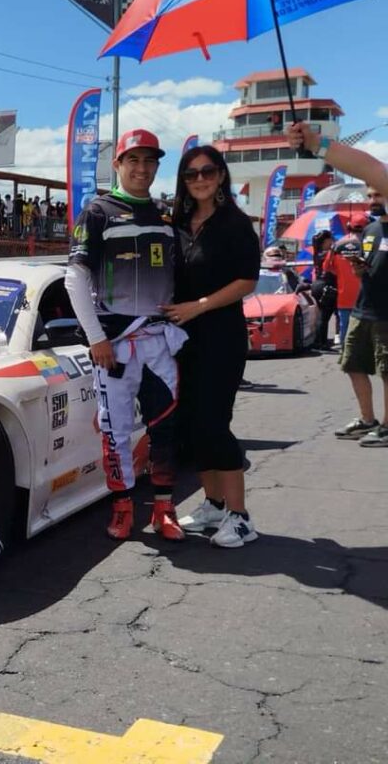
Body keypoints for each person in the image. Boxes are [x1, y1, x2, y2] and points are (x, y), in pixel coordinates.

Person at [65, 128, 187, 542]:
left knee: (166, 427)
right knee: (116, 431)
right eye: (133, 160)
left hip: (158, 343)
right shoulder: (98, 211)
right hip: (113, 350)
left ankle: (165, 509)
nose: (142, 168)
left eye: (150, 161)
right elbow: (74, 279)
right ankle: (122, 508)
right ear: (117, 165)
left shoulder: (167, 217)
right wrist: (96, 337)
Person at [163, 145, 261, 548]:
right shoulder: (179, 222)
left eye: (207, 171)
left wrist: (198, 306)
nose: (199, 179)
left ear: (221, 175)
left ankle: (240, 517)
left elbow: (247, 281)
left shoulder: (235, 223)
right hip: (182, 339)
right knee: (190, 425)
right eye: (191, 174)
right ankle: (214, 504)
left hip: (221, 337)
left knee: (213, 424)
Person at [289, 123, 388, 447]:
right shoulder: (372, 229)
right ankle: (367, 418)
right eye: (371, 192)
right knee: (352, 364)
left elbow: (373, 168)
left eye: (379, 192)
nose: (375, 195)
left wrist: (319, 145)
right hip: (364, 307)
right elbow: (372, 168)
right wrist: (318, 145)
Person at [325, 216, 367, 347]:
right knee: (364, 328)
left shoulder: (337, 245)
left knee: (345, 327)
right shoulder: (369, 245)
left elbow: (326, 266)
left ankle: (344, 352)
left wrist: (339, 273)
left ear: (349, 226)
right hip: (364, 296)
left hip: (344, 295)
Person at [310, 229, 336, 350]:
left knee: (322, 314)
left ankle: (320, 341)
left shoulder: (317, 253)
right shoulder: (327, 254)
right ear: (325, 241)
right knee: (324, 315)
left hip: (318, 285)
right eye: (330, 239)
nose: (332, 241)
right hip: (326, 285)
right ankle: (321, 342)